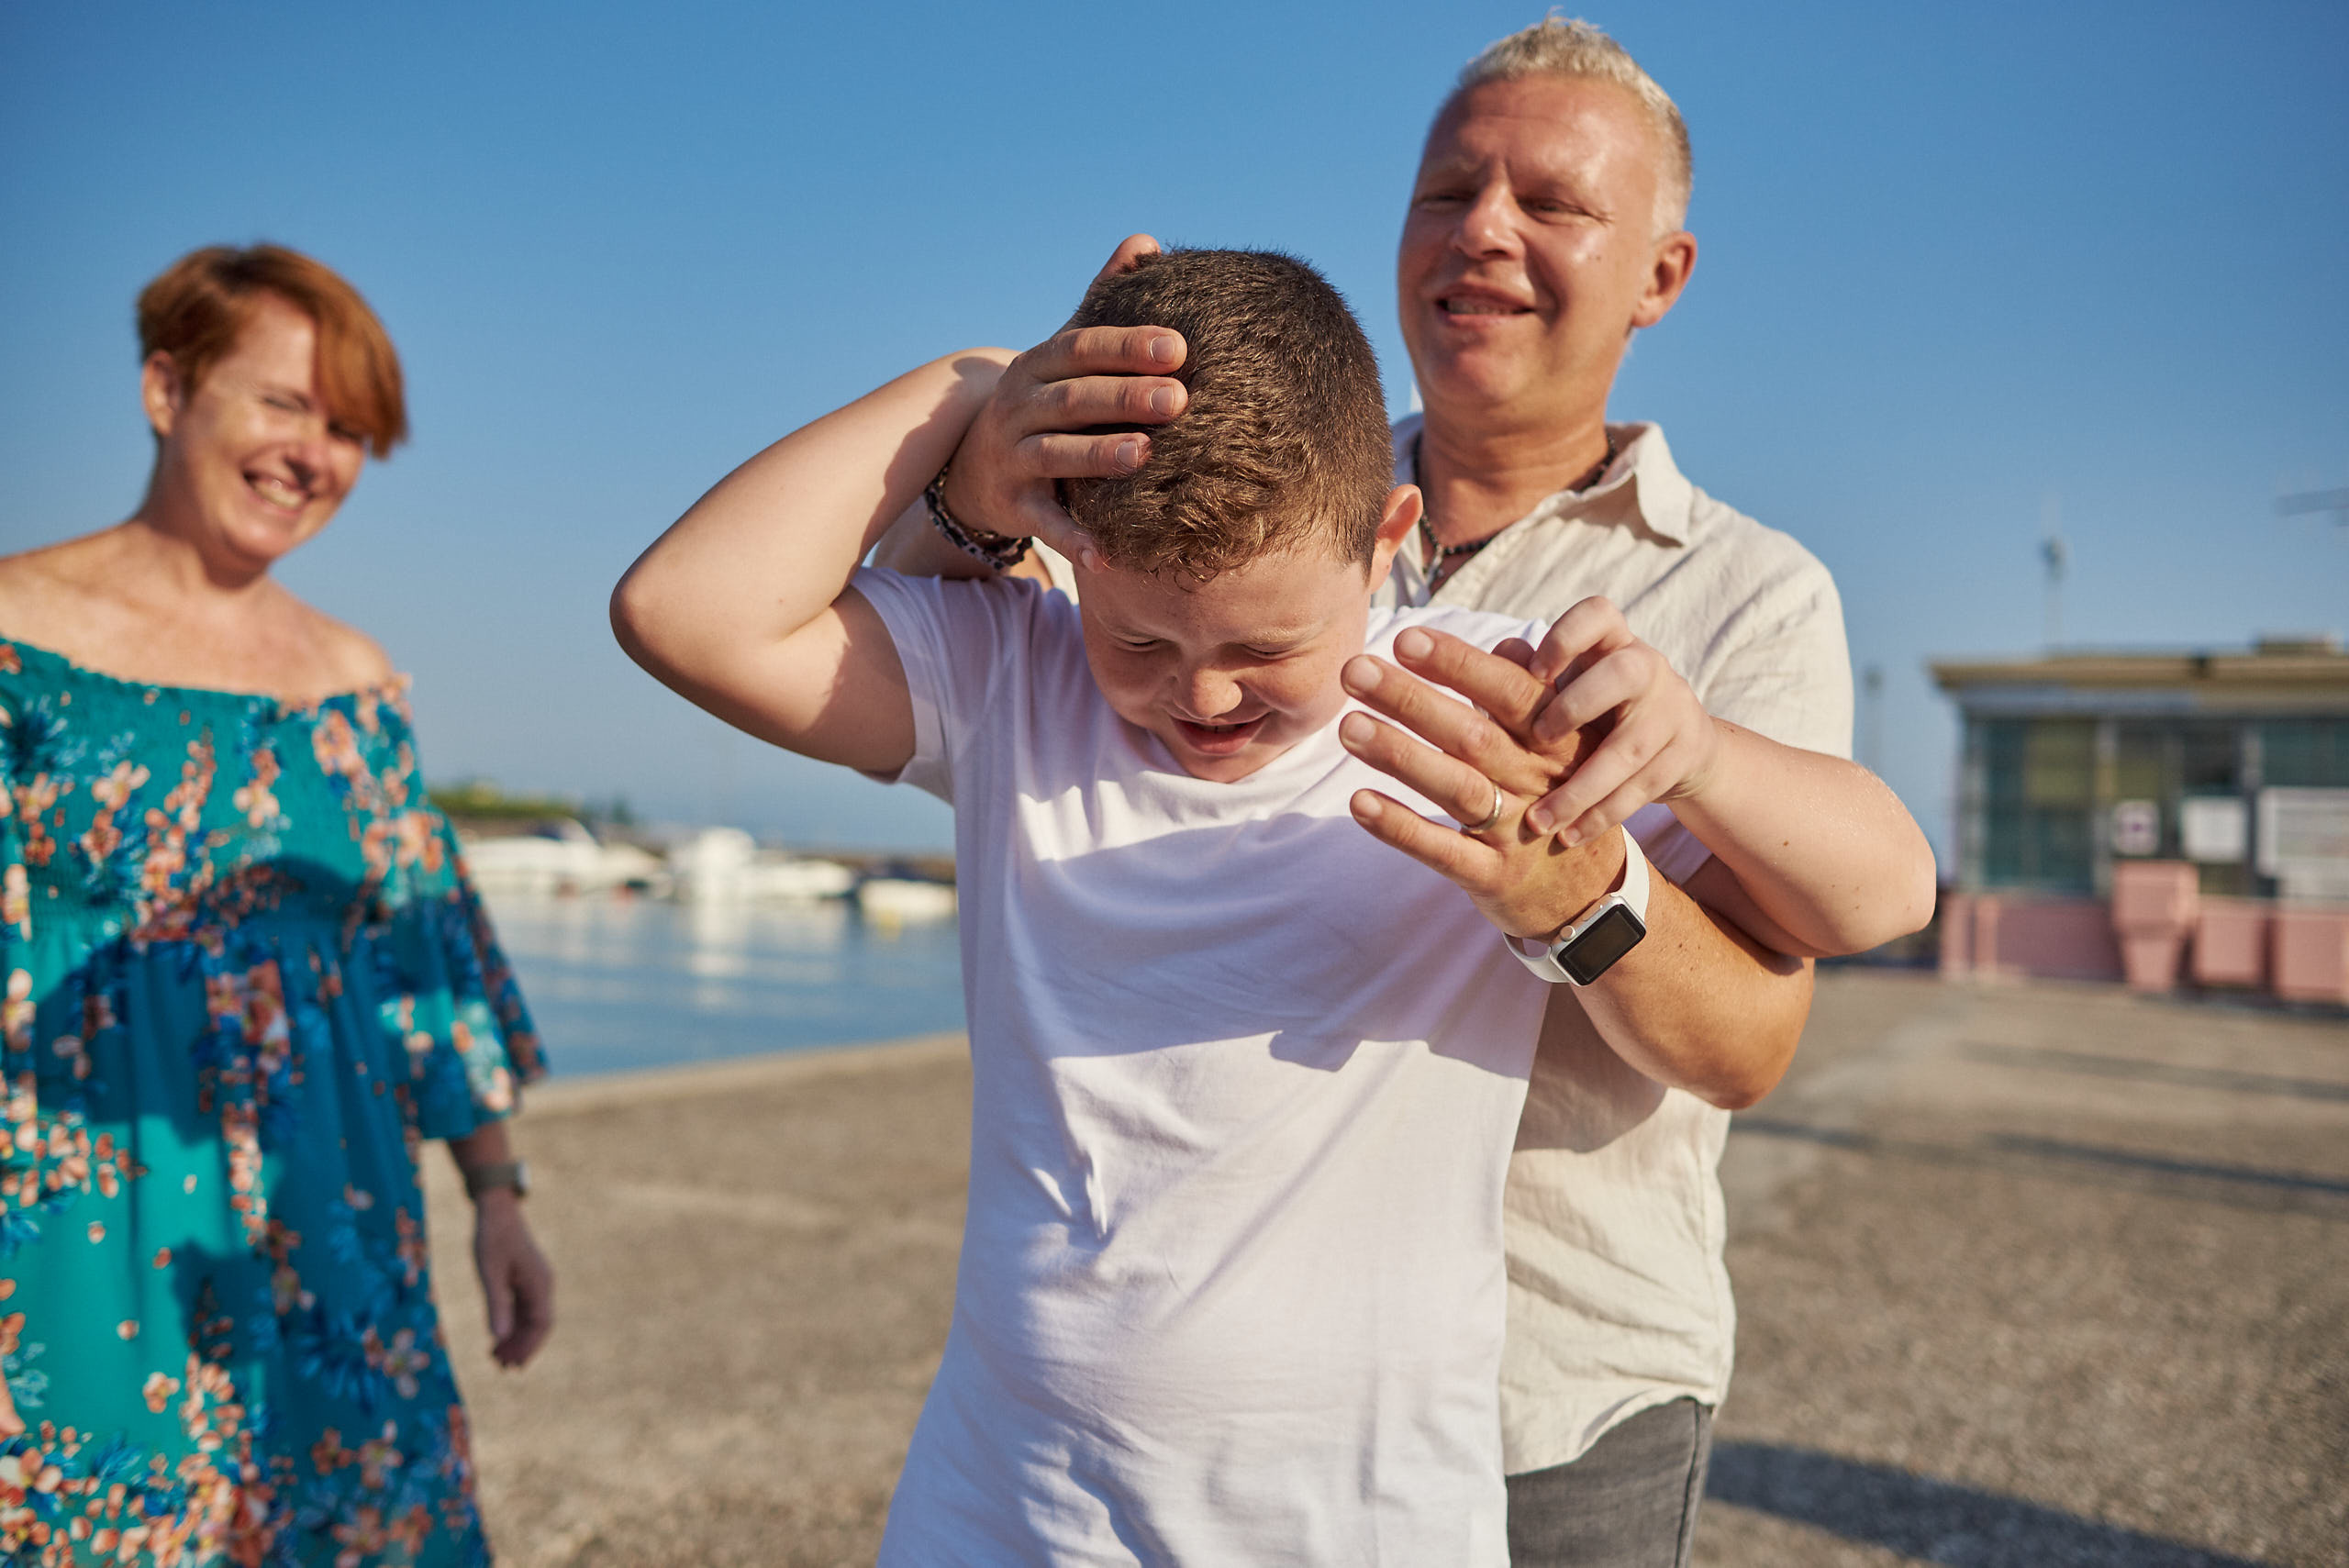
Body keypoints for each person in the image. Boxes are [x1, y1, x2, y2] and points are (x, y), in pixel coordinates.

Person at [888, 20, 1939, 1567]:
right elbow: (942, 647)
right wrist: (972, 466)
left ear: (1661, 276)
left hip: (1560, 1390)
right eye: (1448, 190)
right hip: (1185, 1425)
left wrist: (1631, 821)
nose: (1487, 233)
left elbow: (1758, 1032)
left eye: (1554, 203)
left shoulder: (1744, 592)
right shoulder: (1238, 497)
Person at [612, 247, 1814, 1564]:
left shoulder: (1477, 724)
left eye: (1266, 650)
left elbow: (1822, 949)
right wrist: (968, 390)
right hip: (1004, 1510)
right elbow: (679, 611)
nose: (1206, 696)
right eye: (1144, 642)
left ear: (1389, 543)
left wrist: (1631, 828)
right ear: (1073, 553)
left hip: (1366, 1519)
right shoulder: (1019, 674)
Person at [0, 244, 552, 1565]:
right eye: (283, 404)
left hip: (337, 1217)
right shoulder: (17, 631)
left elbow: (425, 954)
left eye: (349, 428)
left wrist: (497, 1195)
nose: (314, 453)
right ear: (164, 387)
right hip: (79, 1223)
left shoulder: (350, 679)